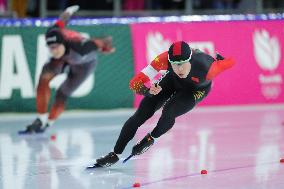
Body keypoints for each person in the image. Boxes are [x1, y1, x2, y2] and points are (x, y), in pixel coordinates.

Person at [89, 41, 235, 168]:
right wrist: (147, 90)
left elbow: (231, 62)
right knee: (142, 113)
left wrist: (221, 60)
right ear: (169, 61)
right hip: (172, 81)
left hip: (196, 90)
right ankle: (115, 153)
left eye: (182, 64)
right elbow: (134, 84)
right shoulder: (163, 59)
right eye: (175, 65)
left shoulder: (208, 67)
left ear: (189, 60)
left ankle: (151, 138)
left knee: (169, 111)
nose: (179, 69)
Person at [19, 5, 115, 134]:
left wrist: (105, 46)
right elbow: (61, 21)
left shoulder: (81, 47)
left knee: (62, 93)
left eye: (56, 47)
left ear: (63, 43)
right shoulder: (53, 32)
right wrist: (68, 11)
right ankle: (41, 119)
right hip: (65, 59)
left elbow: (102, 41)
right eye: (51, 48)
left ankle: (48, 123)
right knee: (44, 78)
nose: (54, 51)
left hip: (84, 64)